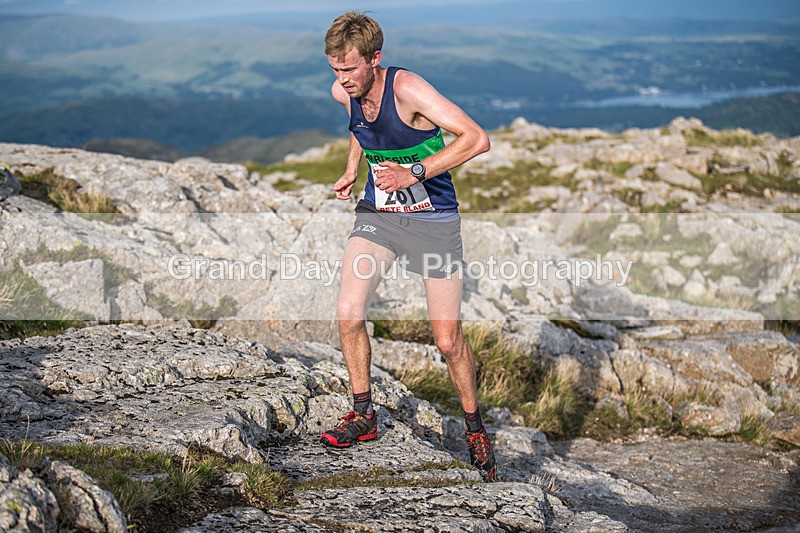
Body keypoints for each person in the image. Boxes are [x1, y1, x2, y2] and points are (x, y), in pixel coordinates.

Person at [319, 11, 497, 481]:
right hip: (380, 215)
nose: (342, 80)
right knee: (348, 311)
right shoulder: (344, 91)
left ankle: (475, 427)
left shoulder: (408, 90)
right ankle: (363, 413)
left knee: (446, 339)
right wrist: (353, 168)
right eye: (335, 70)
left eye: (350, 69)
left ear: (375, 59)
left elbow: (477, 139)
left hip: (432, 221)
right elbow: (362, 130)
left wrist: (415, 173)